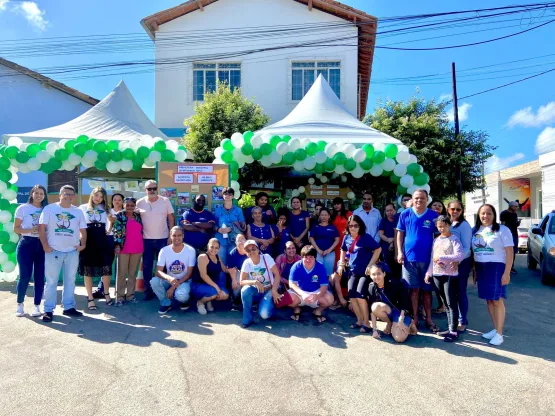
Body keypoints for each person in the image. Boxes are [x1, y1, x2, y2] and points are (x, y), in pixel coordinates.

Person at [38, 185, 87, 322]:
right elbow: (42, 228)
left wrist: (83, 245)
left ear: (74, 196)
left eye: (71, 194)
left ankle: (69, 307)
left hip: (72, 252)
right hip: (53, 251)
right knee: (52, 281)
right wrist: (45, 246)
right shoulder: (50, 209)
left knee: (70, 281)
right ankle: (48, 310)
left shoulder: (77, 211)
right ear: (60, 195)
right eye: (66, 194)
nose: (68, 196)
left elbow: (83, 230)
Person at [396, 189, 440, 332]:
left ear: (427, 200)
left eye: (422, 198)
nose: (419, 200)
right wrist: (400, 252)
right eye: (416, 198)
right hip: (409, 260)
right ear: (412, 199)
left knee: (427, 291)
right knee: (413, 291)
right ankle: (415, 317)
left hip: (428, 260)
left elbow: (439, 238)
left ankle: (428, 318)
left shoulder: (434, 216)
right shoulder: (405, 214)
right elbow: (400, 235)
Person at [472, 204, 513, 346]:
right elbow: (474, 252)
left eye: (489, 213)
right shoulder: (476, 230)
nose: (485, 216)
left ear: (494, 215)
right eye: (483, 213)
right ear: (479, 215)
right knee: (489, 300)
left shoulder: (502, 230)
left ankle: (500, 334)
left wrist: (507, 273)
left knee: (497, 300)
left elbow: (509, 252)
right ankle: (496, 329)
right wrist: (475, 271)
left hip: (496, 267)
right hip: (481, 267)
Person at [337, 215, 381, 332]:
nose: (353, 228)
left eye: (356, 225)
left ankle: (367, 323)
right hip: (352, 271)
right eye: (351, 225)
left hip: (364, 272)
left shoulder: (366, 237)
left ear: (360, 226)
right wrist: (341, 264)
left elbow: (378, 249)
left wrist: (370, 265)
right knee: (352, 296)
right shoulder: (346, 237)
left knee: (360, 296)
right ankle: (359, 320)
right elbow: (343, 249)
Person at [424, 216, 465, 342]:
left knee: (451, 302)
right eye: (439, 226)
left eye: (444, 226)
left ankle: (454, 332)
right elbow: (432, 258)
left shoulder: (454, 239)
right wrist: (428, 273)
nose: (441, 228)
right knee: (444, 302)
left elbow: (460, 255)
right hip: (437, 274)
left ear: (449, 225)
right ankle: (450, 328)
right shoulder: (436, 240)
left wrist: (442, 257)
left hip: (450, 275)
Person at [136, 180, 175, 300]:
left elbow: (171, 218)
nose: (152, 191)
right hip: (146, 240)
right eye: (149, 189)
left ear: (157, 189)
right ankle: (148, 292)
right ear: (145, 190)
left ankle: (163, 291)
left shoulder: (165, 201)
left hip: (162, 239)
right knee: (147, 267)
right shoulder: (139, 202)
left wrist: (171, 236)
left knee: (163, 267)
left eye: (154, 188)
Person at [14, 184, 47, 317]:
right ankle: (20, 305)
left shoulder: (47, 209)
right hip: (26, 244)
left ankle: (37, 306)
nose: (39, 195)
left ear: (44, 196)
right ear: (32, 194)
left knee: (40, 277)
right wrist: (29, 230)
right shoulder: (22, 208)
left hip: (42, 245)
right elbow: (16, 228)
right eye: (37, 193)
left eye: (42, 193)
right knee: (24, 276)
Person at [78, 187, 114, 310]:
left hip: (102, 240)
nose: (98, 198)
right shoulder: (82, 208)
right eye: (96, 195)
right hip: (88, 240)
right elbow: (77, 225)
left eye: (101, 196)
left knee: (106, 268)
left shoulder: (106, 209)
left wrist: (108, 231)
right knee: (88, 269)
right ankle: (90, 298)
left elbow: (112, 220)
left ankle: (107, 293)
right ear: (92, 195)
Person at [367, 263, 417, 342]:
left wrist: (401, 320)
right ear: (370, 276)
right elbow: (373, 311)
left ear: (384, 273)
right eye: (373, 274)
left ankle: (410, 322)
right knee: (375, 306)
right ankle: (390, 324)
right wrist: (374, 330)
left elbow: (404, 302)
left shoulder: (395, 284)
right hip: (389, 313)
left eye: (378, 273)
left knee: (399, 339)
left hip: (400, 313)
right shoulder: (371, 287)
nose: (376, 277)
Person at [151, 226, 196, 314]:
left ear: (183, 236)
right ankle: (166, 303)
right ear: (170, 236)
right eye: (174, 235)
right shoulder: (164, 250)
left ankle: (184, 301)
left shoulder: (190, 250)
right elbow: (158, 271)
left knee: (181, 296)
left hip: (184, 281)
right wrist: (169, 278)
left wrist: (173, 287)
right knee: (154, 281)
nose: (177, 238)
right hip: (170, 280)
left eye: (179, 235)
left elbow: (189, 274)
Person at [239, 240, 281, 327]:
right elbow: (241, 281)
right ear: (246, 253)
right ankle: (247, 319)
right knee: (245, 290)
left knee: (264, 314)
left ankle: (272, 310)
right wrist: (254, 282)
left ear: (258, 250)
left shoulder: (266, 258)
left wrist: (274, 290)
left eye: (253, 249)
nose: (251, 251)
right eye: (248, 250)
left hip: (269, 289)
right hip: (257, 290)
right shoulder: (247, 263)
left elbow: (277, 274)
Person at [288, 245, 334, 322]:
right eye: (306, 257)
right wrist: (303, 294)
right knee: (286, 299)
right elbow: (292, 284)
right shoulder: (296, 266)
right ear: (302, 257)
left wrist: (317, 295)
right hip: (300, 293)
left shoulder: (320, 267)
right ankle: (296, 308)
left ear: (315, 258)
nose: (308, 260)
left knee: (330, 299)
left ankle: (318, 311)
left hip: (315, 292)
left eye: (311, 257)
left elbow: (324, 286)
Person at [447, 200, 473, 332]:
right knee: (451, 293)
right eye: (453, 209)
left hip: (461, 264)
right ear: (448, 209)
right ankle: (453, 320)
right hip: (448, 264)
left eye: (458, 209)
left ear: (462, 211)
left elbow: (467, 247)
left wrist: (458, 260)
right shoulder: (448, 224)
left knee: (460, 292)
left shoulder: (464, 226)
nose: (455, 212)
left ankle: (463, 321)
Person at [113, 197, 143, 306]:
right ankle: (119, 296)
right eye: (127, 205)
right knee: (121, 273)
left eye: (132, 205)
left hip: (137, 248)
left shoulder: (138, 216)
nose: (130, 207)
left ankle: (130, 295)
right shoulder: (119, 216)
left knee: (132, 273)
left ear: (135, 206)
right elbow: (116, 230)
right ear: (124, 205)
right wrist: (116, 245)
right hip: (123, 248)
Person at [94, 193, 124, 299]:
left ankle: (119, 291)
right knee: (107, 265)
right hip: (109, 239)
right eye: (115, 199)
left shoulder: (125, 213)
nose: (117, 201)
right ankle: (101, 289)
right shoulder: (107, 211)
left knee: (121, 267)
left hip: (123, 240)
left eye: (119, 200)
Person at [192, 238, 230, 314]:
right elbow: (203, 276)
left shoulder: (218, 257)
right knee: (215, 292)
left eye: (216, 248)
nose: (214, 249)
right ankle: (200, 302)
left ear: (219, 249)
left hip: (212, 285)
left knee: (225, 295)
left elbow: (224, 269)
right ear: (208, 246)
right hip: (199, 285)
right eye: (212, 247)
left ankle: (209, 300)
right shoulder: (202, 257)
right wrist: (217, 288)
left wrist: (233, 270)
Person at [214, 187, 246, 266]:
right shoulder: (218, 210)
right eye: (225, 194)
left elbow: (243, 225)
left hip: (234, 241)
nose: (227, 196)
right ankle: (222, 279)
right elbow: (213, 224)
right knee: (221, 264)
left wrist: (231, 228)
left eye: (230, 194)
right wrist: (218, 229)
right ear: (223, 196)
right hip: (221, 241)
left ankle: (233, 279)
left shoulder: (238, 210)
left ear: (232, 196)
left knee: (233, 264)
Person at [308, 207, 340, 276]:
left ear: (329, 216)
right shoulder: (315, 226)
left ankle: (328, 286)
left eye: (325, 215)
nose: (324, 217)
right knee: (317, 273)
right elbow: (311, 238)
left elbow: (337, 239)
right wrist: (318, 250)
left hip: (330, 253)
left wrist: (329, 250)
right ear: (319, 216)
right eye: (322, 215)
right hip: (317, 253)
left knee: (328, 273)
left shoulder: (333, 227)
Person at [227, 234, 249, 305]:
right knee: (236, 287)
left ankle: (252, 302)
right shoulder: (232, 253)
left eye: (243, 239)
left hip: (250, 272)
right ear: (236, 243)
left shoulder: (251, 250)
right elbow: (230, 268)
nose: (242, 242)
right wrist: (234, 280)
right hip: (238, 272)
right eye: (239, 240)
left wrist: (247, 252)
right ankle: (235, 301)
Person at [500, 201, 520, 274]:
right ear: (511, 206)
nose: (517, 208)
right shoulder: (504, 213)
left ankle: (511, 266)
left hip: (514, 234)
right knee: (505, 251)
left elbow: (515, 224)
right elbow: (502, 225)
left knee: (513, 251)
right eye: (516, 206)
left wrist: (518, 223)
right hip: (506, 235)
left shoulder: (515, 214)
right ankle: (504, 266)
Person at [331, 197, 352, 264]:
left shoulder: (348, 214)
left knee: (346, 257)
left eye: (338, 204)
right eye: (334, 204)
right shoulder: (331, 215)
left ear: (342, 204)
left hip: (346, 238)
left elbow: (353, 225)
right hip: (334, 240)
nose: (336, 206)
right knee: (335, 258)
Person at [378, 203, 397, 274]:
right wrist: (389, 240)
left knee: (397, 269)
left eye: (391, 210)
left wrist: (393, 241)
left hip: (398, 249)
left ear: (395, 210)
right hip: (386, 248)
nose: (389, 212)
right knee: (387, 268)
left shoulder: (399, 219)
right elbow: (381, 234)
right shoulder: (383, 221)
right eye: (387, 211)